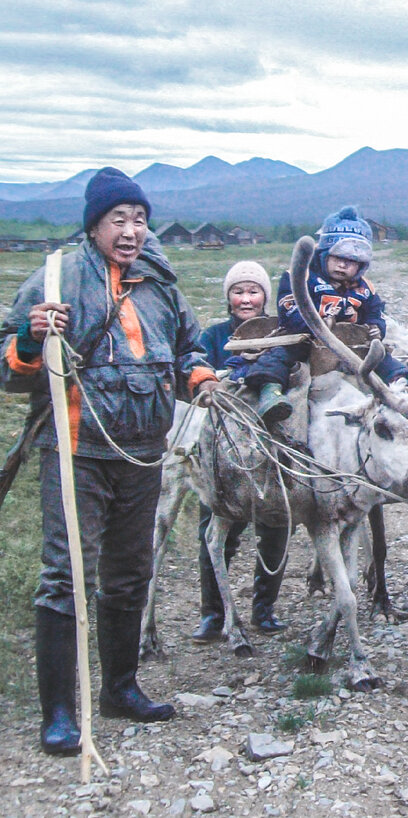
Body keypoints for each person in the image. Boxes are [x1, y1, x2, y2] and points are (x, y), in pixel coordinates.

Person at [0, 167, 219, 755]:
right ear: (94, 225)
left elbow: (186, 351)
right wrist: (28, 338)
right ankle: (61, 712)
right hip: (76, 453)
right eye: (119, 219)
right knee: (65, 578)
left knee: (129, 575)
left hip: (144, 453)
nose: (132, 230)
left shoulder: (162, 284)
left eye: (140, 219)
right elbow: (7, 364)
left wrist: (199, 377)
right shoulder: (58, 277)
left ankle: (120, 688)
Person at [190, 261, 289, 643]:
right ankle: (212, 616)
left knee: (276, 527)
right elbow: (196, 378)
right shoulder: (212, 337)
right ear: (228, 296)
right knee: (214, 532)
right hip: (221, 450)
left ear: (265, 296)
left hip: (271, 447)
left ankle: (264, 611)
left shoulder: (283, 334)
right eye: (238, 291)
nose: (246, 299)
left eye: (253, 291)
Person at [233, 206, 408, 422]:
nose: (343, 264)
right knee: (278, 356)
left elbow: (375, 313)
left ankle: (401, 385)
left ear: (361, 265)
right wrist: (315, 324)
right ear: (324, 252)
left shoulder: (365, 288)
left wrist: (375, 327)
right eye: (337, 257)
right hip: (305, 340)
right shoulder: (300, 276)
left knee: (382, 358)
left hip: (351, 345)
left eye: (352, 261)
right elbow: (288, 310)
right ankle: (271, 391)